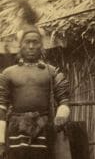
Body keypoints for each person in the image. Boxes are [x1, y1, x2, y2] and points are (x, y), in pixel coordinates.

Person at [0, 17, 71, 159]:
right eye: (27, 42)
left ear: (41, 45)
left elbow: (64, 100)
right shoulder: (8, 74)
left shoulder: (52, 72)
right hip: (16, 130)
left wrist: (62, 114)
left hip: (43, 129)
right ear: (20, 45)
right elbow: (1, 107)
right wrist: (0, 141)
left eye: (35, 42)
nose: (31, 46)